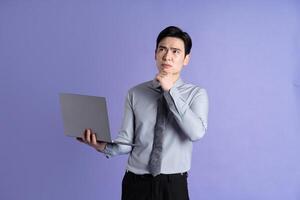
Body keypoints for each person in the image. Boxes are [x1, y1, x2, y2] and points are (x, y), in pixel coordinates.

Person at [77, 26, 209, 200]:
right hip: (135, 183)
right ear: (155, 54)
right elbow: (125, 143)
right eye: (162, 49)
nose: (167, 56)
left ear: (186, 59)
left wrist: (170, 92)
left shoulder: (196, 94)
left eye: (175, 51)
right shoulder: (135, 93)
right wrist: (100, 146)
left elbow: (196, 132)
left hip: (173, 185)